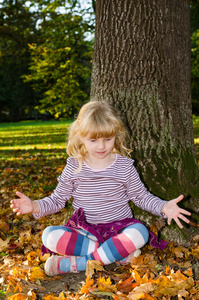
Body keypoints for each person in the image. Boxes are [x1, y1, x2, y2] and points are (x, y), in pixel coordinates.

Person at [10, 101, 191, 276]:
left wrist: (163, 206)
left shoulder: (124, 166)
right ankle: (114, 254)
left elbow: (141, 197)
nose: (101, 146)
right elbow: (57, 200)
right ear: (81, 137)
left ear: (116, 135)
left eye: (107, 138)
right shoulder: (74, 166)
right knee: (49, 236)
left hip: (119, 230)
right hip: (85, 232)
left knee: (140, 233)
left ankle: (79, 264)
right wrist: (34, 206)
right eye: (94, 140)